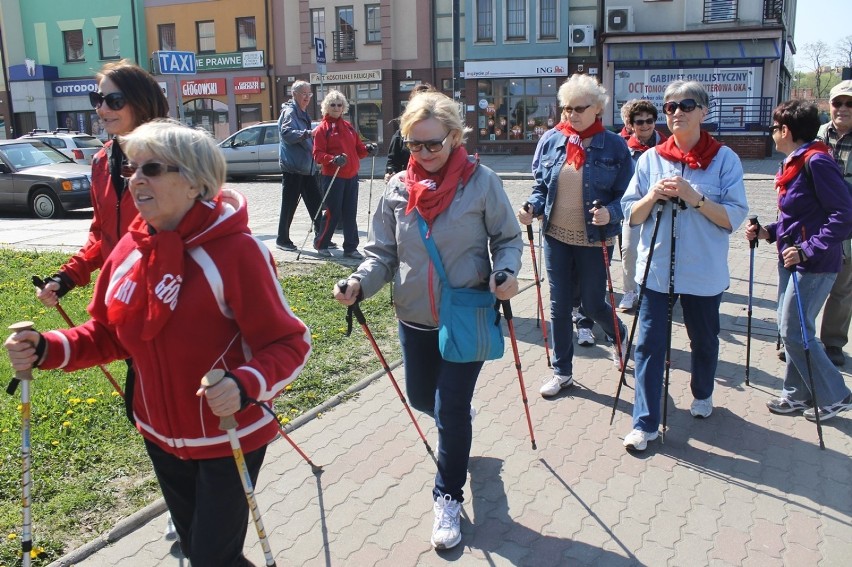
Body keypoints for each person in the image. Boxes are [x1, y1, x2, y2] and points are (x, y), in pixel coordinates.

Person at [5, 120, 312, 566]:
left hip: (228, 434)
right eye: (132, 169)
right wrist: (47, 347)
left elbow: (291, 342)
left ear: (194, 182)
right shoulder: (129, 250)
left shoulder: (237, 252)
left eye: (152, 168)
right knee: (196, 548)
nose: (136, 180)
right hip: (160, 433)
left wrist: (246, 384)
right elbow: (111, 334)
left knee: (211, 557)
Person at [333, 91, 522, 550]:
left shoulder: (481, 182)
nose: (423, 153)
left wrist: (508, 273)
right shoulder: (397, 189)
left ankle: (448, 497)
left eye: (433, 144)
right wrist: (359, 282)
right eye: (414, 145)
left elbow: (508, 237)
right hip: (415, 316)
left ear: (454, 138)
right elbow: (382, 253)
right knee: (425, 397)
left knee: (450, 409)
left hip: (467, 314)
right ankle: (456, 419)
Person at [36, 60, 169, 423]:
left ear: (141, 102)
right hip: (124, 301)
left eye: (113, 100)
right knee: (144, 412)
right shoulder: (101, 161)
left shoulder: (171, 157)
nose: (101, 108)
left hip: (167, 299)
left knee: (170, 404)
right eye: (98, 98)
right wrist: (66, 278)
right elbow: (102, 236)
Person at [620, 80, 748, 452]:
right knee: (647, 345)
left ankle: (702, 391)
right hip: (656, 270)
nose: (676, 112)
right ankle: (644, 422)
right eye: (670, 106)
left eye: (686, 105)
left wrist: (695, 198)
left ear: (704, 112)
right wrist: (651, 195)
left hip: (702, 272)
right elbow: (630, 214)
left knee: (704, 341)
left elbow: (732, 219)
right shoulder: (650, 158)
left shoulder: (725, 159)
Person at [518, 74, 633, 398]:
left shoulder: (614, 145)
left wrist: (611, 212)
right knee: (559, 305)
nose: (571, 115)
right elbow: (541, 186)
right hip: (556, 235)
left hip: (593, 239)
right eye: (566, 108)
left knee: (595, 303)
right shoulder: (552, 140)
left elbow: (629, 196)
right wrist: (533, 208)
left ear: (597, 108)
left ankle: (618, 335)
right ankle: (562, 371)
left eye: (578, 108)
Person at [745, 100, 852, 421]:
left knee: (794, 330)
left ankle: (836, 395)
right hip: (792, 259)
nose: (772, 134)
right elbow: (800, 217)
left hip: (814, 263)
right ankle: (796, 394)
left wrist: (808, 248)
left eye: (774, 128)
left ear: (786, 130)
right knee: (791, 327)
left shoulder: (816, 162)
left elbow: (844, 215)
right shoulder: (795, 161)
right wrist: (767, 232)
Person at [313, 89, 377, 259]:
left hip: (351, 176)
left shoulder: (348, 127)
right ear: (327, 107)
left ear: (343, 107)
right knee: (332, 212)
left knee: (350, 213)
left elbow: (358, 150)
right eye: (332, 104)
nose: (336, 107)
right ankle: (322, 244)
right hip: (333, 176)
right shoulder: (322, 129)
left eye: (339, 105)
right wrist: (332, 159)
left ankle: (350, 247)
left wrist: (368, 149)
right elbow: (317, 154)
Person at [618, 99, 668, 312]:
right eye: (640, 122)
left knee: (661, 251)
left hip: (661, 209)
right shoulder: (624, 147)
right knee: (629, 249)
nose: (645, 125)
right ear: (630, 125)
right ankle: (630, 292)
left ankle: (662, 292)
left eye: (649, 121)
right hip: (635, 207)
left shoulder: (666, 147)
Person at [816, 80, 852, 367]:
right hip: (814, 224)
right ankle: (797, 338)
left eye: (849, 103)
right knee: (806, 283)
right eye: (838, 103)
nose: (842, 108)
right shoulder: (815, 135)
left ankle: (832, 343)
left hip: (848, 227)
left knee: (842, 288)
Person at [276, 80, 323, 251]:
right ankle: (282, 240)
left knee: (316, 203)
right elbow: (287, 133)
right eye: (304, 93)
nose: (307, 97)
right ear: (294, 94)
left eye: (309, 94)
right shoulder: (290, 112)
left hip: (306, 167)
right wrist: (309, 133)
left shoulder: (302, 112)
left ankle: (322, 237)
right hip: (293, 168)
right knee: (289, 204)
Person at [385, 83, 436, 182]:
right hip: (408, 185)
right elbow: (392, 161)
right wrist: (391, 174)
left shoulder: (441, 131)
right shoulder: (402, 133)